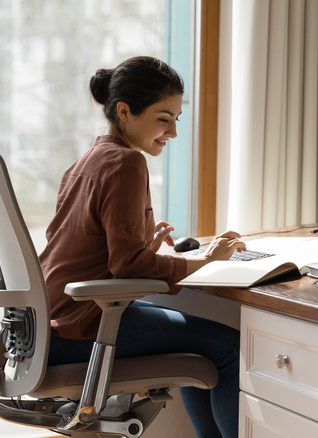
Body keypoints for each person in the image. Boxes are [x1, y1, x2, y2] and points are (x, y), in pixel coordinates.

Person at [39, 55, 246, 438]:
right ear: (125, 112)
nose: (173, 133)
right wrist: (204, 260)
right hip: (82, 329)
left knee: (205, 351)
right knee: (231, 349)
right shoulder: (127, 162)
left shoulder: (88, 160)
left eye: (176, 120)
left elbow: (83, 248)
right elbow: (129, 267)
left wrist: (144, 246)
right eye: (163, 119)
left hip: (50, 327)